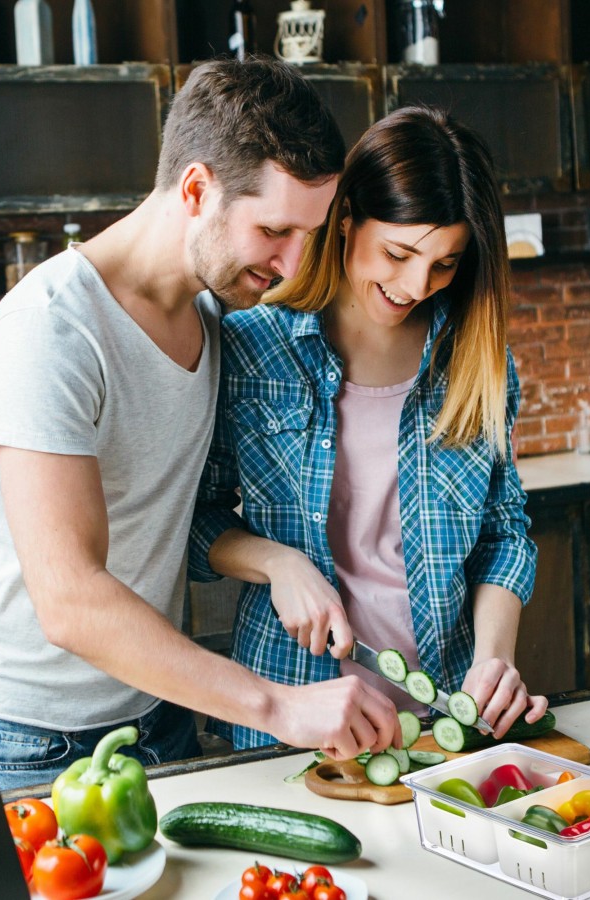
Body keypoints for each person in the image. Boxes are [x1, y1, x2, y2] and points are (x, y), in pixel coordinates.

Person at [0, 57, 400, 792]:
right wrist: (278, 706)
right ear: (196, 189)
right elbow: (69, 600)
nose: (291, 265)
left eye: (307, 235)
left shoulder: (216, 316)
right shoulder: (51, 329)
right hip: (28, 741)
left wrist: (280, 560)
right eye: (274, 230)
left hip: (161, 715)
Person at [189, 105, 547, 751]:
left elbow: (505, 530)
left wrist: (495, 660)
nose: (416, 285)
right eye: (400, 253)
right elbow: (197, 519)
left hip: (447, 713)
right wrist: (277, 562)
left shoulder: (477, 365)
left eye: (445, 264)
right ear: (346, 218)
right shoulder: (250, 346)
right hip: (293, 708)